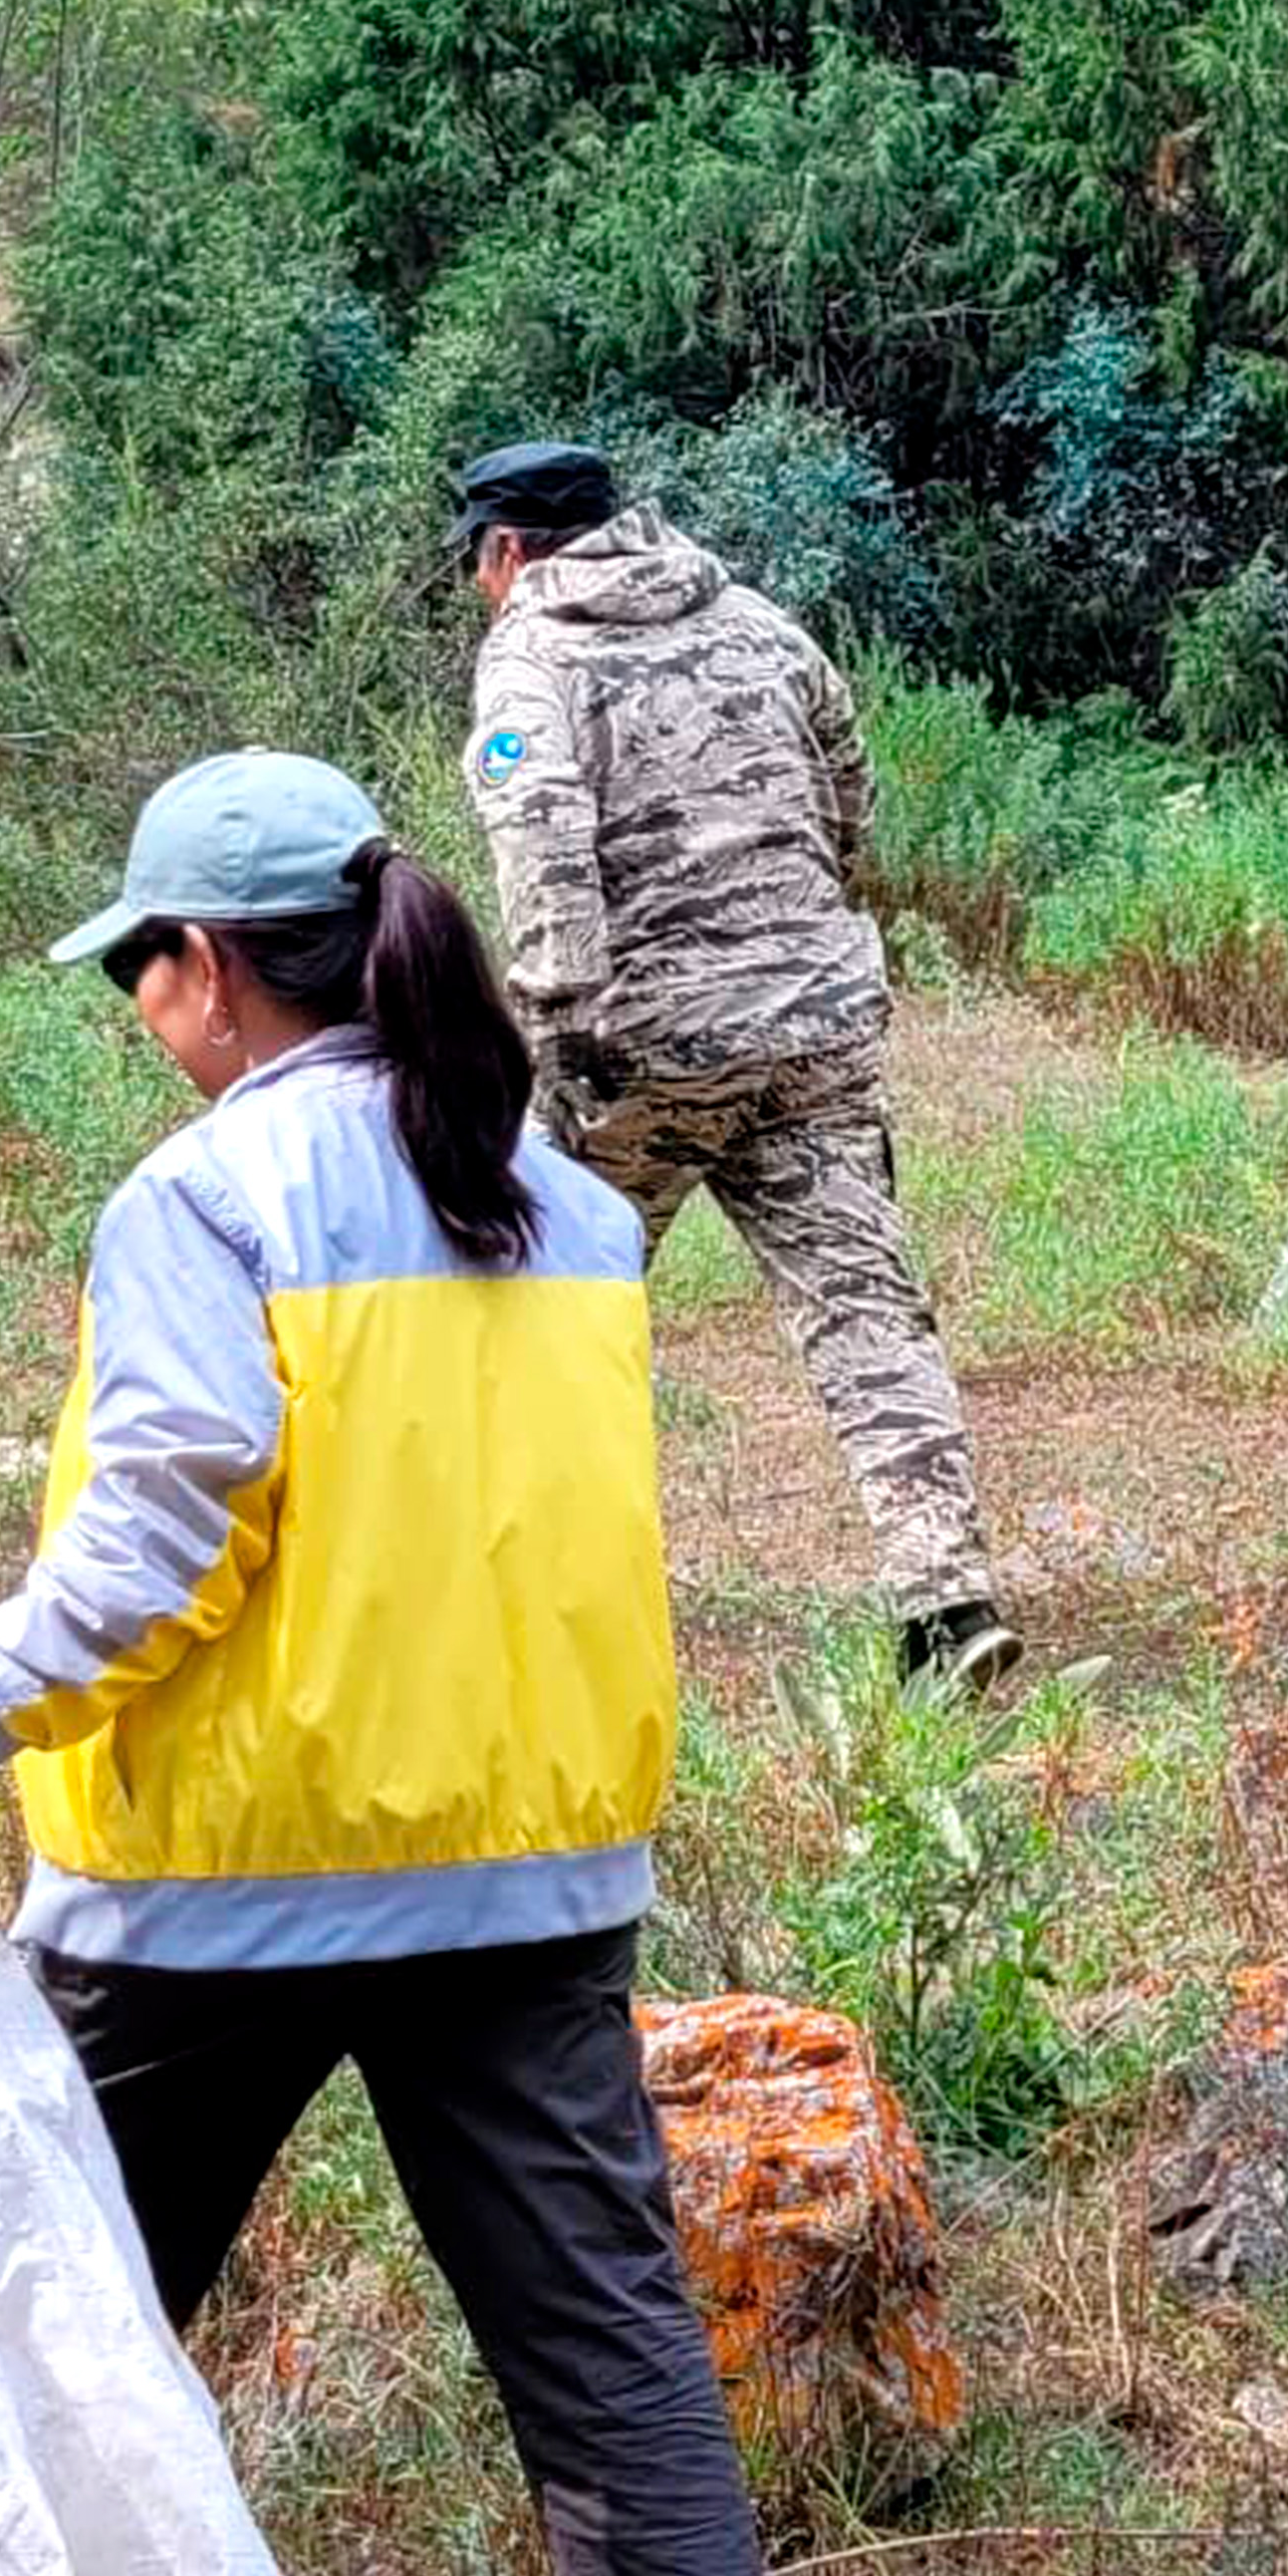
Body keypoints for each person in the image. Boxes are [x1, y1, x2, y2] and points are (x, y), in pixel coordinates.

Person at [0, 750, 795, 2576]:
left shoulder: (208, 1198)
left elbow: (158, 1538)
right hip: (531, 1862)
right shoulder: (564, 1206)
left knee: (35, 2275)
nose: (142, 1006)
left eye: (142, 966)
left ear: (207, 966)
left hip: (225, 1880)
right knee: (591, 2298)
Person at [451, 439, 1014, 1693]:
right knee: (867, 1308)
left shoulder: (532, 654)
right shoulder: (758, 621)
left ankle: (517, 1593)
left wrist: (556, 1020)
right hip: (815, 1027)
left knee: (544, 1314)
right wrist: (804, 937)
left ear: (505, 551)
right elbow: (849, 788)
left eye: (476, 567)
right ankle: (945, 1599)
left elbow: (538, 835)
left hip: (638, 1048)